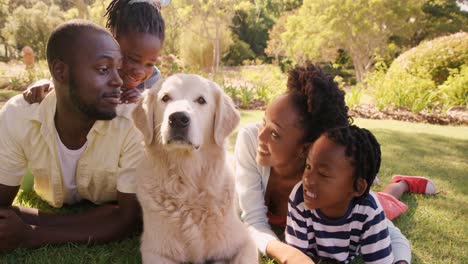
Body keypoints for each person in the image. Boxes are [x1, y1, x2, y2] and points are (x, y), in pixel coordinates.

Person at [234, 63, 416, 264]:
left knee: (383, 205)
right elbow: (253, 221)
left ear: (305, 148)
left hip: (349, 203)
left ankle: (402, 183)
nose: (261, 135)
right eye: (263, 121)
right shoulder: (250, 140)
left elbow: (394, 236)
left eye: (275, 133)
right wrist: (289, 255)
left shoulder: (323, 172)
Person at [0, 20, 143, 251]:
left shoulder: (133, 121)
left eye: (119, 69)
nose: (118, 81)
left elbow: (130, 219)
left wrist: (32, 234)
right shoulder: (19, 115)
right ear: (60, 72)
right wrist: (103, 218)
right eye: (104, 69)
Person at [22, 0, 165, 104]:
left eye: (149, 64)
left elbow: (160, 111)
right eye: (133, 59)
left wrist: (142, 102)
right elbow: (64, 83)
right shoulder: (93, 68)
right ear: (112, 40)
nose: (140, 71)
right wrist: (44, 85)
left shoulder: (153, 79)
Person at [285, 125, 393, 263]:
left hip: (375, 206)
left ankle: (401, 183)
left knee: (389, 203)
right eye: (308, 166)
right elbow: (296, 256)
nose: (307, 179)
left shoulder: (370, 210)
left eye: (323, 174)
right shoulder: (299, 198)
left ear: (358, 187)